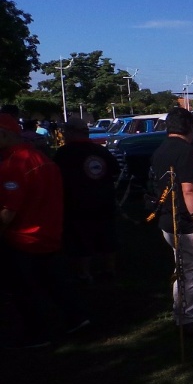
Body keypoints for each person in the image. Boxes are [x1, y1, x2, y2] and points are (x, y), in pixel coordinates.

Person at [0, 113, 89, 348]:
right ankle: (77, 318)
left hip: (24, 237)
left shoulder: (13, 164)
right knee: (55, 281)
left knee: (24, 289)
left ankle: (37, 333)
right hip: (49, 232)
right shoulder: (42, 158)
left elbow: (8, 210)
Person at [151, 107, 193, 337]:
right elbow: (189, 189)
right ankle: (186, 318)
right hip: (184, 223)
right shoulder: (185, 151)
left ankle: (181, 314)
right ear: (189, 126)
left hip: (168, 220)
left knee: (183, 269)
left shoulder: (160, 150)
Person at [54, 116, 121, 282]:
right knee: (107, 237)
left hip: (77, 204)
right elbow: (115, 170)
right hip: (104, 201)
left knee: (80, 240)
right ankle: (108, 270)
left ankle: (84, 273)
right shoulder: (100, 150)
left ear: (70, 132)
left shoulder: (64, 154)